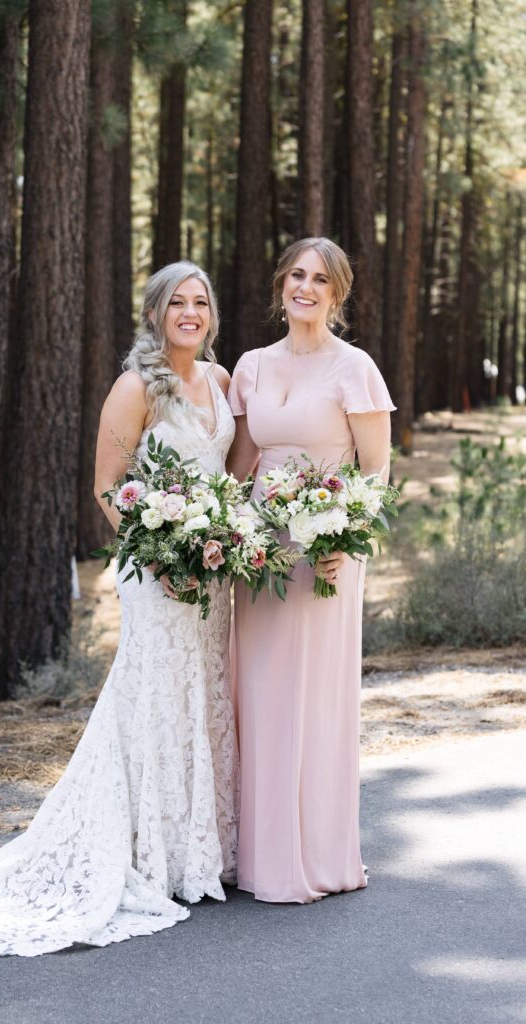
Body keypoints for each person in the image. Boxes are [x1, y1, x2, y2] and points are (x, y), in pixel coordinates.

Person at [0, 262, 238, 959]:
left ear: (211, 314)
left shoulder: (222, 380)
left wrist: (222, 539)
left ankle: (193, 851)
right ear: (155, 313)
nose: (189, 312)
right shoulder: (135, 387)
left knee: (201, 697)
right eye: (176, 301)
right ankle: (142, 853)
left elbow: (227, 474)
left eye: (199, 301)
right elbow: (107, 487)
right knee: (152, 694)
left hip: (210, 573)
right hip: (156, 571)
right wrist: (161, 554)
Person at [226, 237, 395, 904]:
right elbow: (240, 465)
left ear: (336, 293)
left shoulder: (354, 368)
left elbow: (375, 471)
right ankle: (259, 855)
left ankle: (317, 857)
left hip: (324, 551)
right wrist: (213, 532)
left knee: (312, 698)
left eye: (320, 279)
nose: (305, 287)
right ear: (281, 284)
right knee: (260, 692)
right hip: (260, 553)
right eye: (296, 274)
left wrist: (348, 539)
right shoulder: (250, 366)